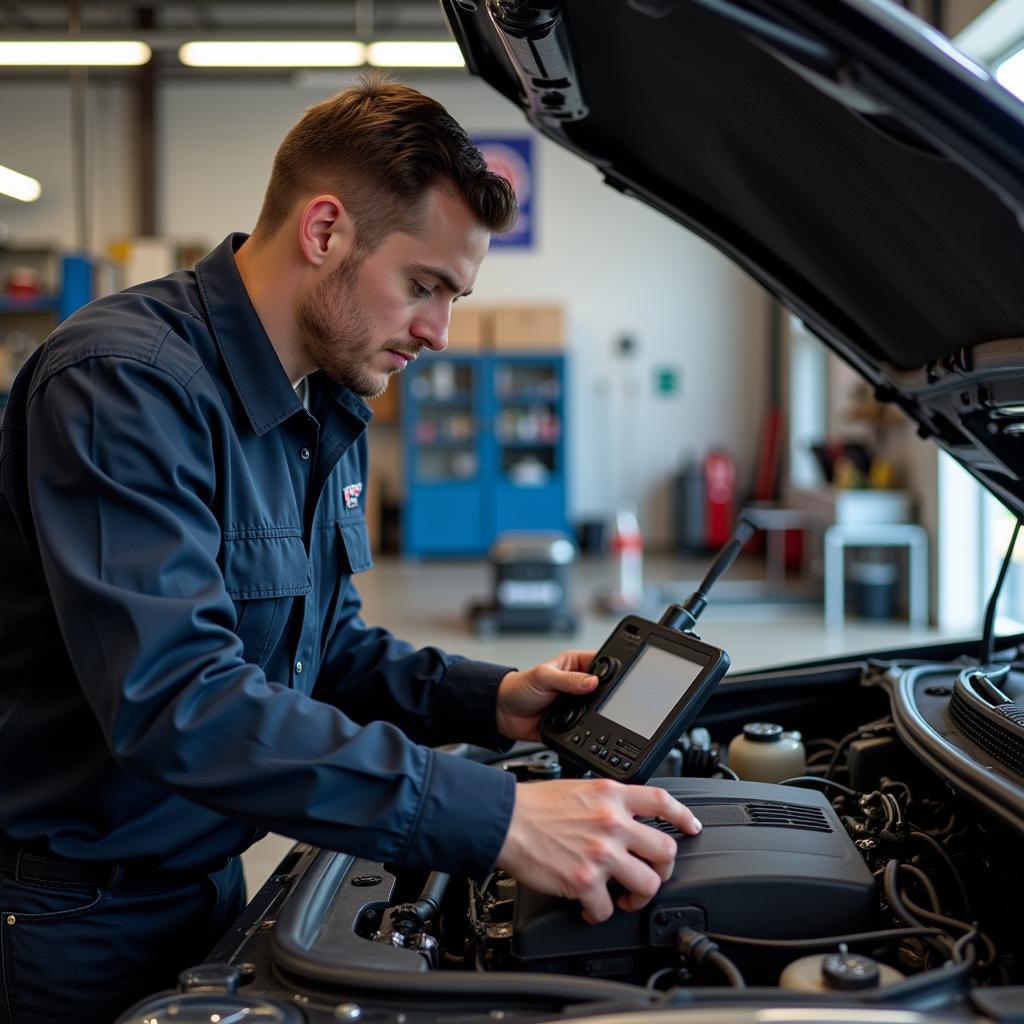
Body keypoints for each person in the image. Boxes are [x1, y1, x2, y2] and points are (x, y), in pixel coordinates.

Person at [0, 75, 701, 1024]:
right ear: (325, 231)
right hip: (63, 918)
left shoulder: (326, 404)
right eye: (425, 287)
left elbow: (320, 652)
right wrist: (498, 818)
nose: (439, 333)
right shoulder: (123, 386)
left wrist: (490, 698)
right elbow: (179, 701)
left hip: (204, 884)